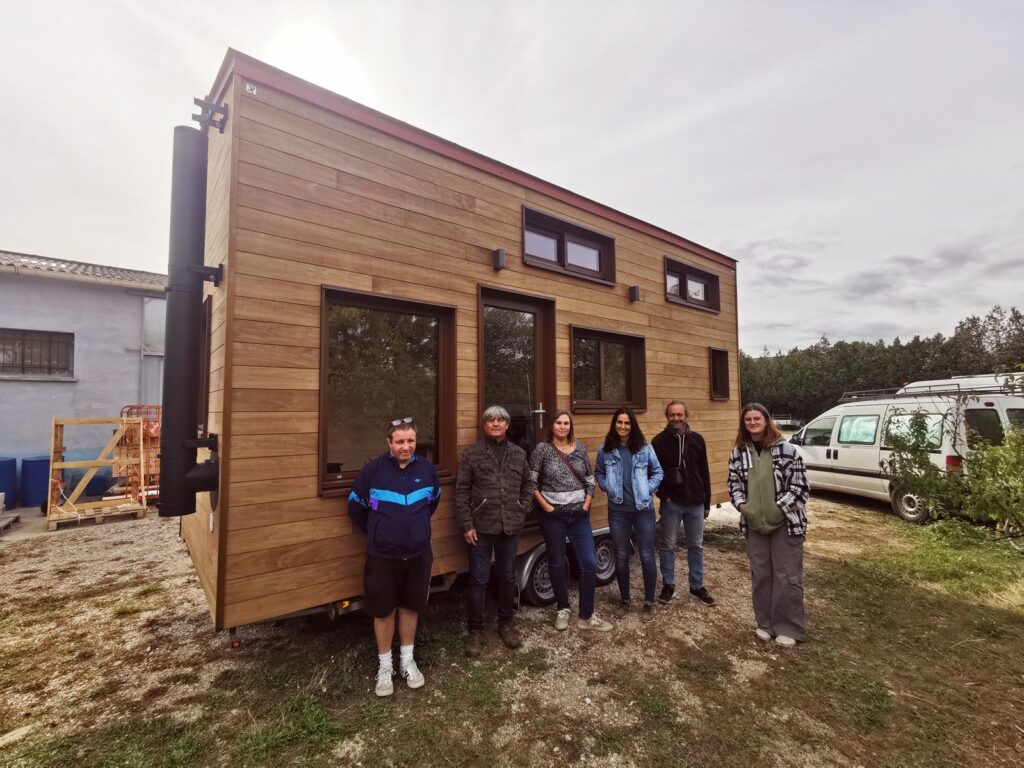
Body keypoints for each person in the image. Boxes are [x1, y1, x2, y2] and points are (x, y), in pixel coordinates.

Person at [348, 417, 441, 696]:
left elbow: (432, 502)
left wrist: (413, 531)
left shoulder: (427, 470)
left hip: (418, 555)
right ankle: (385, 667)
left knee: (410, 607)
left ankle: (407, 661)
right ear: (389, 443)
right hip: (382, 557)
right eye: (400, 441)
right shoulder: (372, 471)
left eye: (410, 440)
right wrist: (379, 533)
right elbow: (356, 507)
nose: (406, 446)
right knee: (383, 610)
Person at [727, 403, 810, 648]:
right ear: (744, 424)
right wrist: (744, 507)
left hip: (786, 524)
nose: (752, 423)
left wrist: (778, 508)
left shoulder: (787, 450)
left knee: (786, 575)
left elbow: (800, 487)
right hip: (754, 524)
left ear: (767, 420)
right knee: (761, 575)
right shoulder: (739, 452)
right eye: (748, 419)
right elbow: (734, 485)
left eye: (757, 418)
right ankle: (765, 623)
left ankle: (789, 627)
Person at [455, 405, 535, 657]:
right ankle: (475, 630)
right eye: (491, 420)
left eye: (501, 420)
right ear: (484, 425)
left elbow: (529, 483)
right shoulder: (472, 454)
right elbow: (461, 491)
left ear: (507, 425)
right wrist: (467, 524)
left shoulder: (519, 453)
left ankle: (506, 623)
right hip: (481, 527)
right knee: (478, 579)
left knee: (508, 576)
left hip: (510, 525)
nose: (496, 424)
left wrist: (523, 507)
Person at [530, 410, 612, 632]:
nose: (563, 427)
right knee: (556, 562)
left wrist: (586, 504)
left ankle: (586, 616)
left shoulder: (580, 448)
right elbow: (531, 483)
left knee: (589, 563)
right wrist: (546, 506)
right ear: (552, 426)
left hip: (579, 516)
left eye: (566, 423)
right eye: (558, 423)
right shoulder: (542, 450)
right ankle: (562, 609)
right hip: (553, 517)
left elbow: (589, 479)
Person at [595, 408, 663, 622]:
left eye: (627, 423)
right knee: (622, 556)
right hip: (618, 512)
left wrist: (648, 489)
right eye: (619, 423)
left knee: (646, 556)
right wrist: (607, 485)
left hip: (644, 511)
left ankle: (649, 603)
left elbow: (658, 471)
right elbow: (598, 472)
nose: (623, 426)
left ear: (632, 425)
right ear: (614, 425)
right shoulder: (605, 450)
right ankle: (625, 600)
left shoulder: (645, 448)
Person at [651, 400, 716, 606]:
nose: (676, 418)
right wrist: (664, 496)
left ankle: (697, 585)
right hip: (672, 504)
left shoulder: (697, 440)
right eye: (672, 414)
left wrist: (707, 502)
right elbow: (652, 472)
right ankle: (668, 585)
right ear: (667, 416)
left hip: (696, 502)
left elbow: (704, 470)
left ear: (686, 415)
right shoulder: (658, 442)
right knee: (668, 545)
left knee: (696, 545)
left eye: (680, 414)